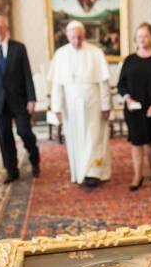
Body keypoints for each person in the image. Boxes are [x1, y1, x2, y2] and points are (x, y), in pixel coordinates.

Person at [48, 20, 112, 188]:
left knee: (94, 137)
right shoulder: (60, 54)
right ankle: (80, 172)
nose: (76, 41)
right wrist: (56, 108)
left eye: (79, 37)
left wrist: (106, 105)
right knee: (75, 138)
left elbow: (104, 83)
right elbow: (57, 85)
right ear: (67, 36)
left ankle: (94, 173)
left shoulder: (96, 52)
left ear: (84, 36)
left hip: (93, 102)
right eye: (73, 38)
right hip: (71, 106)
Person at [0, 14, 40, 184]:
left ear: (7, 28)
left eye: (1, 27)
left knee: (24, 132)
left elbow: (27, 74)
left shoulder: (18, 48)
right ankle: (11, 170)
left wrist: (31, 98)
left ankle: (35, 159)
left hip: (20, 100)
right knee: (4, 137)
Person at [117, 23, 151, 191]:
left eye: (145, 36)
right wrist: (127, 99)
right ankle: (137, 175)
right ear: (136, 39)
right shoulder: (129, 60)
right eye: (139, 36)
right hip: (133, 108)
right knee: (136, 141)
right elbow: (121, 84)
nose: (142, 39)